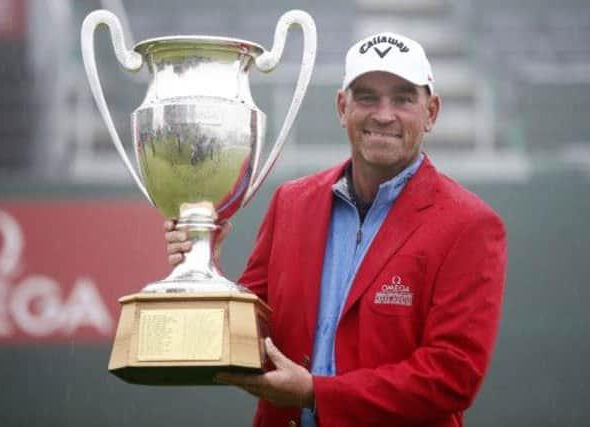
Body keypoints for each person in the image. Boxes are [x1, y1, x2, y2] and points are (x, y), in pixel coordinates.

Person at [165, 31, 507, 427]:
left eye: (403, 98)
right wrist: (205, 267)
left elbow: (452, 377)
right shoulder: (291, 203)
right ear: (342, 107)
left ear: (431, 112)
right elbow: (248, 339)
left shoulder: (470, 224)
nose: (383, 113)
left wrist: (316, 393)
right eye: (366, 97)